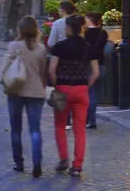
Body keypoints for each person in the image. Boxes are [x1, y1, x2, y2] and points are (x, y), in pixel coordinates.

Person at [49, 15, 100, 178]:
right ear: (82, 29)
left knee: (60, 125)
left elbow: (51, 70)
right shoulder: (88, 48)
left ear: (68, 29)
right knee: (80, 129)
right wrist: (86, 85)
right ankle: (77, 166)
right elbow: (96, 73)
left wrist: (57, 86)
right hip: (81, 89)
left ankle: (63, 158)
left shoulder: (59, 47)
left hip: (62, 87)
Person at [2, 15, 48, 178]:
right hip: (36, 92)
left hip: (16, 91)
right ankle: (37, 163)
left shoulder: (14, 46)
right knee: (35, 130)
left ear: (20, 30)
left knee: (16, 129)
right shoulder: (41, 49)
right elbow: (43, 73)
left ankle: (19, 162)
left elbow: (5, 68)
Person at [82, 13, 108, 129]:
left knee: (89, 92)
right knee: (96, 93)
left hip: (89, 64)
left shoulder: (85, 33)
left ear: (90, 19)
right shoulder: (103, 33)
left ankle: (89, 119)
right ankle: (92, 119)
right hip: (101, 62)